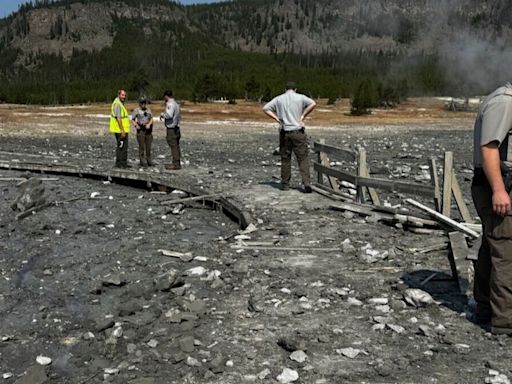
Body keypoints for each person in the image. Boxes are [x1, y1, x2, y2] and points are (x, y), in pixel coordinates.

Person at [472, 82, 512, 335]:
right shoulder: (505, 101)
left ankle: (486, 307)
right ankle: (506, 319)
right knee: (506, 252)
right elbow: (489, 148)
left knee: (492, 245)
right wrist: (498, 189)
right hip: (498, 186)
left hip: (497, 184)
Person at [263, 81, 317, 192]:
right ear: (295, 89)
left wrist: (277, 118)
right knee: (302, 158)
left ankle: (285, 184)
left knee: (286, 159)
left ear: (285, 89)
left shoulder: (279, 99)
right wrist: (302, 116)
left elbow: (265, 108)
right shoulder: (301, 97)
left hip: (285, 131)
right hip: (298, 131)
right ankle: (306, 183)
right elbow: (313, 103)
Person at [160, 90, 181, 170]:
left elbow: (169, 115)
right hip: (176, 127)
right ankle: (177, 161)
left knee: (173, 145)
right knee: (176, 145)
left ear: (166, 96)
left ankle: (175, 164)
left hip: (171, 128)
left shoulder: (170, 104)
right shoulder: (176, 104)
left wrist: (162, 115)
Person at [109, 89, 131, 168]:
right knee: (122, 147)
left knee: (121, 146)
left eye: (125, 95)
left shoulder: (119, 103)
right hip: (120, 130)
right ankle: (121, 163)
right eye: (122, 95)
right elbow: (118, 118)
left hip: (120, 129)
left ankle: (121, 163)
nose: (124, 97)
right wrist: (122, 130)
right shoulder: (117, 104)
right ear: (119, 95)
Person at [132, 96, 154, 167]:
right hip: (141, 129)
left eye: (144, 102)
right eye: (142, 103)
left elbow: (151, 118)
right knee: (141, 146)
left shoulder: (148, 110)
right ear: (139, 103)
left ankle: (149, 160)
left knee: (148, 146)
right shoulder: (136, 110)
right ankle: (142, 161)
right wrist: (136, 125)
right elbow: (132, 119)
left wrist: (149, 124)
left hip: (148, 130)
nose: (143, 104)